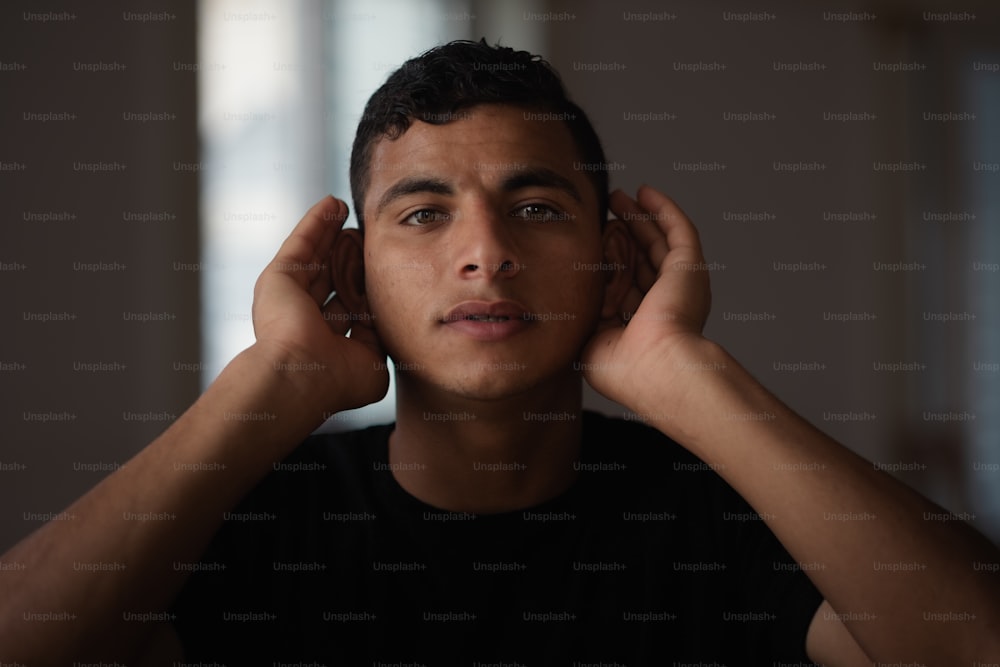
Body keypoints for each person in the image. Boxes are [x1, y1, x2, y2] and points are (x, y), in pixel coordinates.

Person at [1, 39, 998, 665]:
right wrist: (270, 383)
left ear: (610, 258)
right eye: (424, 213)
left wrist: (683, 376)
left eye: (533, 207)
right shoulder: (260, 516)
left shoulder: (717, 518)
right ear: (352, 275)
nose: (484, 253)